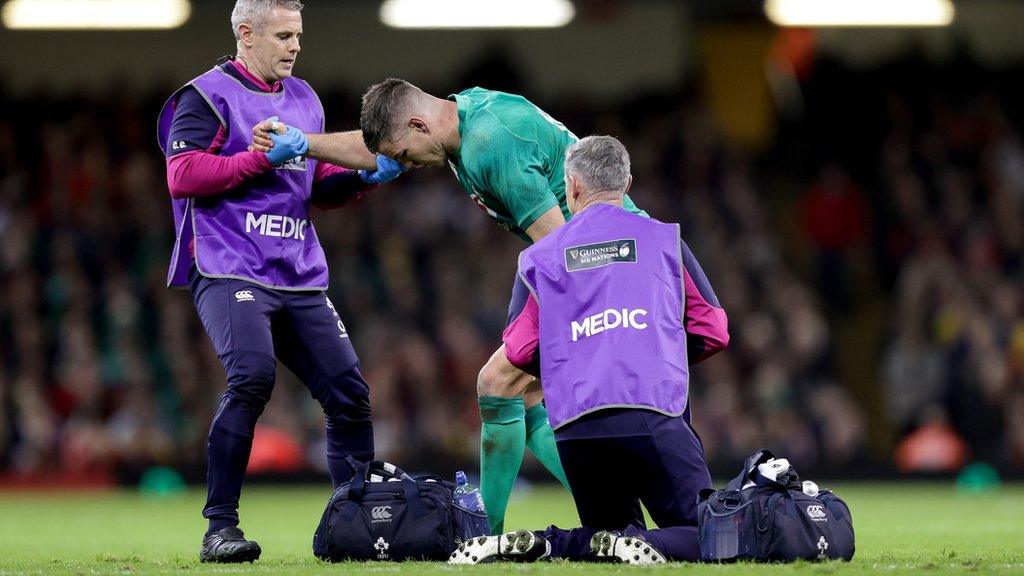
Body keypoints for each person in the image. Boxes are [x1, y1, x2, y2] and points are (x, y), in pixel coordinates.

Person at [252, 78, 649, 534]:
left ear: (418, 125)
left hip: (605, 263)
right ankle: (615, 519)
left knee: (497, 384)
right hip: (609, 256)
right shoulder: (461, 117)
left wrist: (582, 332)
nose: (403, 166)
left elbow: (563, 249)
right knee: (528, 394)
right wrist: (304, 145)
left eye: (403, 155)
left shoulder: (489, 145)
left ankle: (488, 533)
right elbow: (377, 151)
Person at [156, 0, 404, 563]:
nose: (294, 46)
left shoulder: (306, 99)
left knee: (350, 396)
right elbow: (182, 175)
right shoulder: (206, 95)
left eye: (298, 36)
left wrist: (366, 178)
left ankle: (356, 525)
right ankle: (219, 528)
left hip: (296, 271)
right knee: (251, 377)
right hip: (228, 264)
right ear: (246, 34)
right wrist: (258, 159)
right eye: (283, 35)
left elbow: (315, 187)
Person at [450, 136, 729, 564]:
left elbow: (521, 351)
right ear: (627, 184)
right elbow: (713, 329)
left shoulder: (539, 258)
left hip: (579, 430)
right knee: (712, 535)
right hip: (653, 413)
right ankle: (637, 545)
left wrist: (581, 354)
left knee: (610, 541)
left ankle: (535, 542)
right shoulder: (665, 240)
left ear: (572, 187)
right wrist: (651, 349)